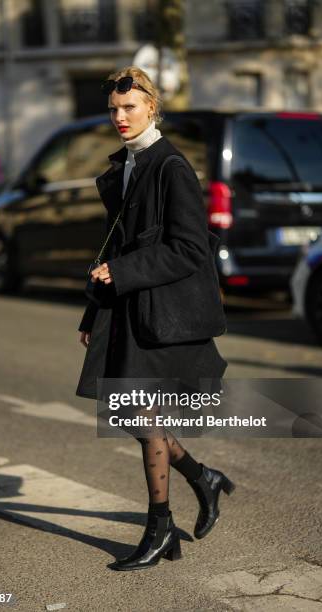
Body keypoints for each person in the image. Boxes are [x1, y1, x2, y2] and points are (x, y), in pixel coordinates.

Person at [75, 66, 235, 571]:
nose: (120, 117)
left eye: (130, 108)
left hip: (159, 314)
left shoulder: (170, 167)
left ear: (151, 107)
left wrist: (120, 273)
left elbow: (190, 249)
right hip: (130, 306)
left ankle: (160, 528)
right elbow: (116, 244)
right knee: (127, 414)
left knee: (142, 421)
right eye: (114, 110)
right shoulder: (130, 163)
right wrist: (93, 307)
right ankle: (203, 478)